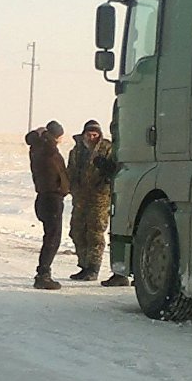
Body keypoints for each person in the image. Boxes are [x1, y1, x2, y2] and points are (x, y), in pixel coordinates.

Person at [25, 120, 70, 290]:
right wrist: (45, 135)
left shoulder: (38, 148)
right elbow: (53, 157)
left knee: (50, 237)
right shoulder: (47, 149)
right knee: (52, 238)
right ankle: (43, 275)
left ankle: (43, 273)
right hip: (51, 197)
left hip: (46, 197)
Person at [67, 120, 114, 281]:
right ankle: (84, 265)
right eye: (89, 134)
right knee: (77, 231)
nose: (92, 137)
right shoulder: (76, 151)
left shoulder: (107, 149)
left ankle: (93, 268)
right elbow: (71, 171)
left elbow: (114, 169)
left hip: (99, 198)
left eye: (95, 135)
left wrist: (107, 169)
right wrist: (71, 188)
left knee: (95, 233)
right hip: (80, 198)